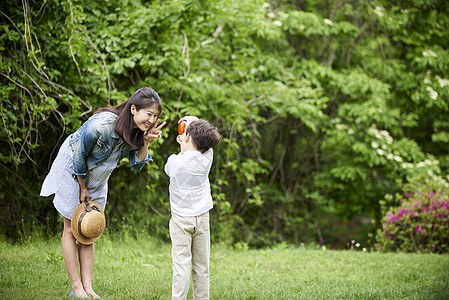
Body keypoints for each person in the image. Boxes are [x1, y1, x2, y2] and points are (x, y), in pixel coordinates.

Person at [40, 87, 166, 299]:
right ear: (134, 109)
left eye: (155, 116)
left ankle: (88, 288)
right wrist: (82, 187)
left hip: (99, 176)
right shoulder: (102, 125)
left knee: (89, 231)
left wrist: (145, 142)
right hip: (74, 173)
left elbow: (136, 166)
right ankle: (76, 287)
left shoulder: (137, 132)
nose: (152, 120)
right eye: (149, 114)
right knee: (71, 228)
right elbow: (79, 154)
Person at [164, 116, 221, 300]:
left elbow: (171, 167)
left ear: (186, 137)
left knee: (181, 265)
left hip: (181, 220)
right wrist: (194, 124)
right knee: (201, 266)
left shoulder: (174, 162)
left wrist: (184, 140)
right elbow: (207, 145)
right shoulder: (206, 160)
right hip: (202, 219)